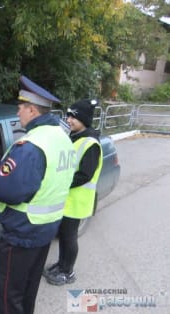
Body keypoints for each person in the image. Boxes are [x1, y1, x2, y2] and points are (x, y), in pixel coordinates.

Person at [0, 75, 75, 314]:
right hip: (46, 229)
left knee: (8, 294)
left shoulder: (32, 145)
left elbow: (7, 190)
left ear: (32, 110)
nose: (17, 114)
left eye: (20, 109)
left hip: (22, 233)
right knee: (28, 289)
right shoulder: (62, 138)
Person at [43, 99, 103, 286]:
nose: (68, 120)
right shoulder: (75, 137)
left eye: (73, 117)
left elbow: (85, 175)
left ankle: (67, 272)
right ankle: (61, 265)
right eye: (68, 116)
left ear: (83, 119)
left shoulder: (90, 143)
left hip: (77, 201)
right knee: (64, 235)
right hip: (67, 199)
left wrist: (61, 183)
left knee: (69, 238)